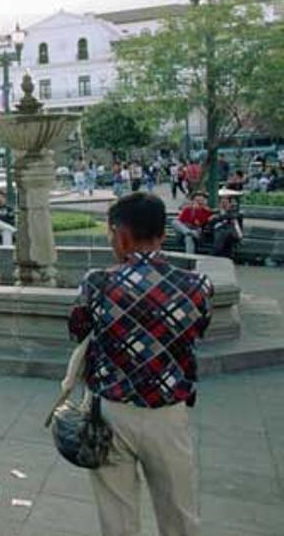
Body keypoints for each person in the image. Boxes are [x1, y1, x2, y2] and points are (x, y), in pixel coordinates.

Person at [68, 192, 212, 536]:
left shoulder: (97, 283)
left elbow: (77, 329)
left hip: (111, 415)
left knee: (117, 519)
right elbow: (198, 330)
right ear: (162, 234)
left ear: (121, 235)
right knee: (179, 515)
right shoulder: (196, 286)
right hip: (168, 415)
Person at [207, 195, 244, 259]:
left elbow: (232, 216)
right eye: (222, 203)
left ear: (230, 204)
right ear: (219, 204)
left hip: (232, 233)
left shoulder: (234, 212)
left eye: (226, 203)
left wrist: (218, 217)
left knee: (225, 232)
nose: (224, 205)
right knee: (222, 232)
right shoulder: (214, 212)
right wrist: (216, 218)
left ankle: (215, 253)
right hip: (217, 232)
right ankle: (223, 253)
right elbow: (210, 222)